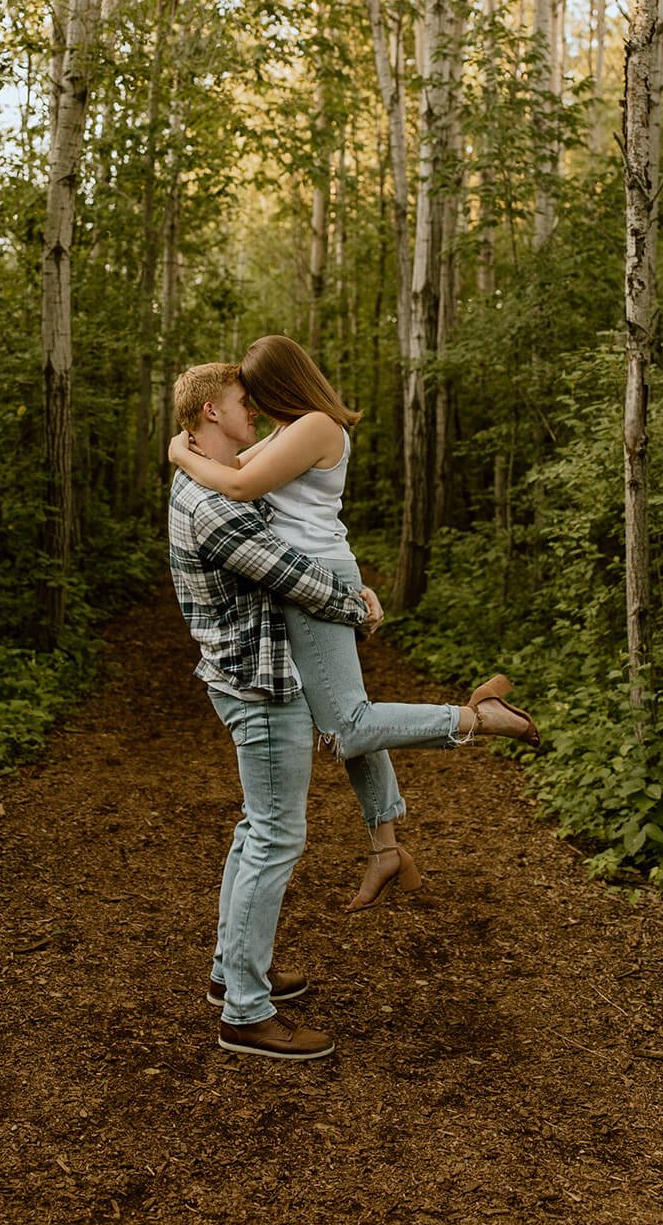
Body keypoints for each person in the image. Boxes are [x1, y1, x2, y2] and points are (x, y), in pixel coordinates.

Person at [168, 334, 540, 911]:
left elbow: (238, 484)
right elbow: (234, 466)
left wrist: (179, 454)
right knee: (347, 718)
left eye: (257, 391)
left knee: (347, 725)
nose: (254, 404)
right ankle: (384, 847)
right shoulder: (290, 428)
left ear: (279, 382)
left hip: (309, 575)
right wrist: (199, 454)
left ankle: (478, 718)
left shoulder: (316, 425)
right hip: (303, 572)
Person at [168, 361, 384, 1061]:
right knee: (273, 839)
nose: (253, 411)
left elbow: (263, 480)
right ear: (208, 414)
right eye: (240, 403)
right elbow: (291, 576)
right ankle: (245, 1012)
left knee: (256, 830)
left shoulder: (210, 470)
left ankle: (232, 973)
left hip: (253, 672)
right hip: (257, 683)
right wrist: (360, 606)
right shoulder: (215, 503)